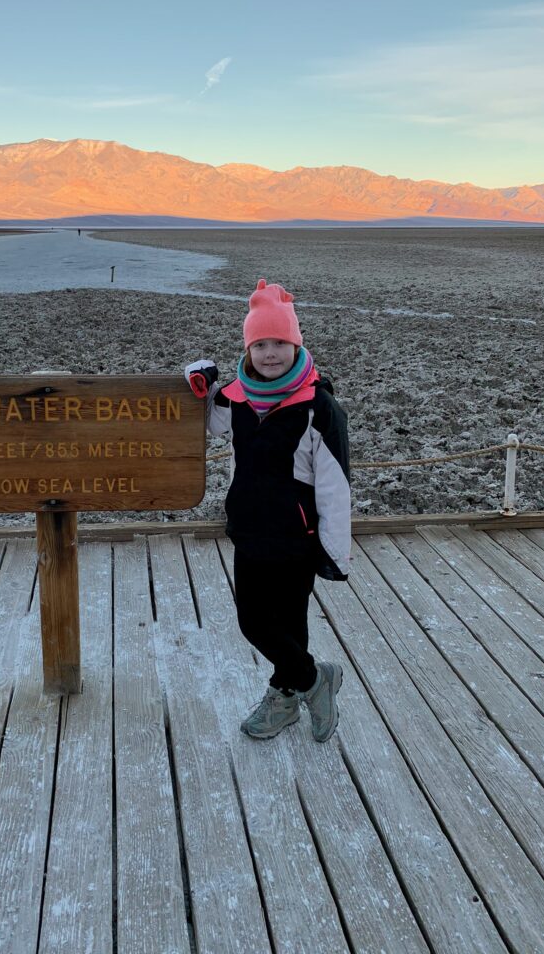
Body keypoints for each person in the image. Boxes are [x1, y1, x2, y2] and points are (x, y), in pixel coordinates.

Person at [185, 279, 351, 742]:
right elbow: (209, 417)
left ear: (295, 344)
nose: (270, 352)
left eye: (279, 342)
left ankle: (288, 694)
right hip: (250, 530)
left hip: (298, 539)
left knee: (286, 621)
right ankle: (315, 679)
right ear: (249, 347)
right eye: (260, 344)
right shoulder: (236, 397)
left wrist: (335, 553)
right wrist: (199, 379)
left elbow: (337, 485)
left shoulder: (319, 407)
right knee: (254, 620)